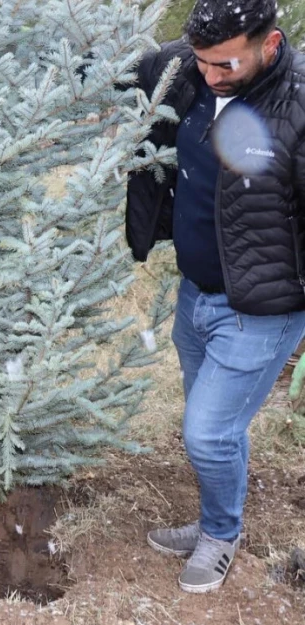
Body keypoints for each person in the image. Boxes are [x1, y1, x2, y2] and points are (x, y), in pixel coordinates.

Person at [126, 0, 305, 594]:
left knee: (207, 432)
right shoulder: (187, 67)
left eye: (224, 63)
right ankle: (212, 519)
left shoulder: (298, 103)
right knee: (217, 426)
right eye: (201, 61)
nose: (209, 75)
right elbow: (115, 73)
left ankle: (222, 535)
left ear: (269, 45)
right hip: (195, 295)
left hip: (263, 308)